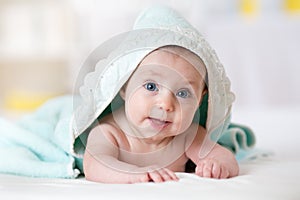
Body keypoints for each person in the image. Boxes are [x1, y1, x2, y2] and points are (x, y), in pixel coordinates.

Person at [83, 45, 239, 183]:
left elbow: (225, 158)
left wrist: (217, 164)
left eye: (183, 93)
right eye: (151, 86)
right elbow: (94, 165)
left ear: (199, 100)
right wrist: (132, 174)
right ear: (124, 87)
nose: (165, 105)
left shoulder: (188, 135)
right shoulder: (109, 131)